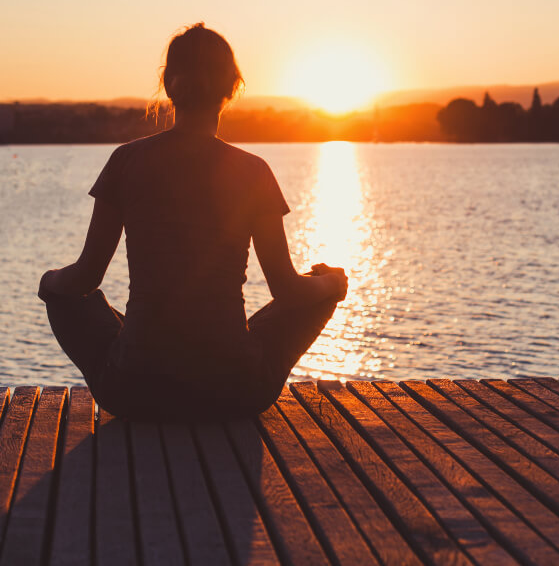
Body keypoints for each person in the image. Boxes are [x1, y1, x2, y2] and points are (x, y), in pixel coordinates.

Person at [39, 23, 348, 420]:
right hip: (235, 390)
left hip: (134, 389)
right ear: (232, 88)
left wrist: (48, 282)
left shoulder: (127, 161)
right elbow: (287, 290)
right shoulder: (253, 171)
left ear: (169, 84)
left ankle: (139, 350)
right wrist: (332, 283)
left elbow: (85, 279)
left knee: (67, 297)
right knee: (318, 292)